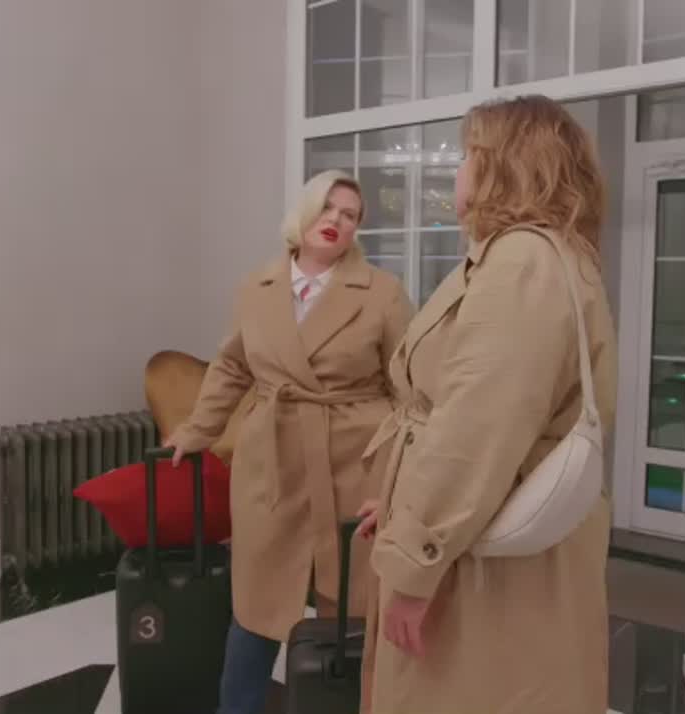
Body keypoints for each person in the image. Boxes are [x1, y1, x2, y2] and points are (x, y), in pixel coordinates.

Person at [355, 95, 618, 714]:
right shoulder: (541, 256)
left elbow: (475, 430)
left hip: (484, 570)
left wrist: (414, 564)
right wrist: (400, 502)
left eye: (466, 155)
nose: (458, 171)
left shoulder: (523, 261)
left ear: (502, 165)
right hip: (482, 536)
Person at [164, 169, 413, 714]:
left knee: (352, 608)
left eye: (350, 215)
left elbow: (411, 390)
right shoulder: (258, 288)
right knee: (256, 604)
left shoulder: (383, 293)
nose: (337, 221)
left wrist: (405, 473)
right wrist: (199, 429)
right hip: (271, 462)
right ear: (304, 211)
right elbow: (233, 366)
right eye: (328, 207)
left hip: (355, 463)